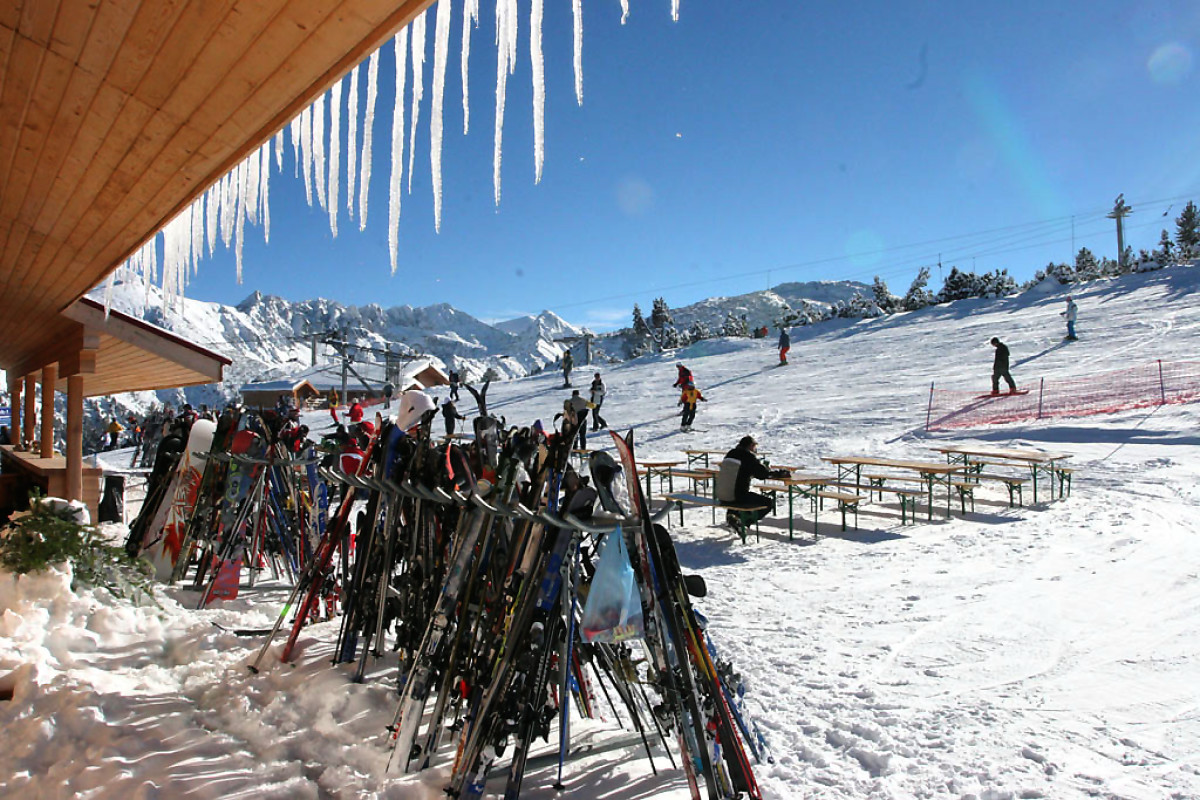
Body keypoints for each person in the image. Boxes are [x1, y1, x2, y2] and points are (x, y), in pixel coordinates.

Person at [716, 435, 789, 530]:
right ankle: (742, 522)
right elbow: (762, 474)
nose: (755, 449)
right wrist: (778, 474)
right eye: (754, 446)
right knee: (768, 503)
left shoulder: (731, 453)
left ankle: (733, 517)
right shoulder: (748, 456)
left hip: (721, 495)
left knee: (738, 495)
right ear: (750, 446)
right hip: (737, 496)